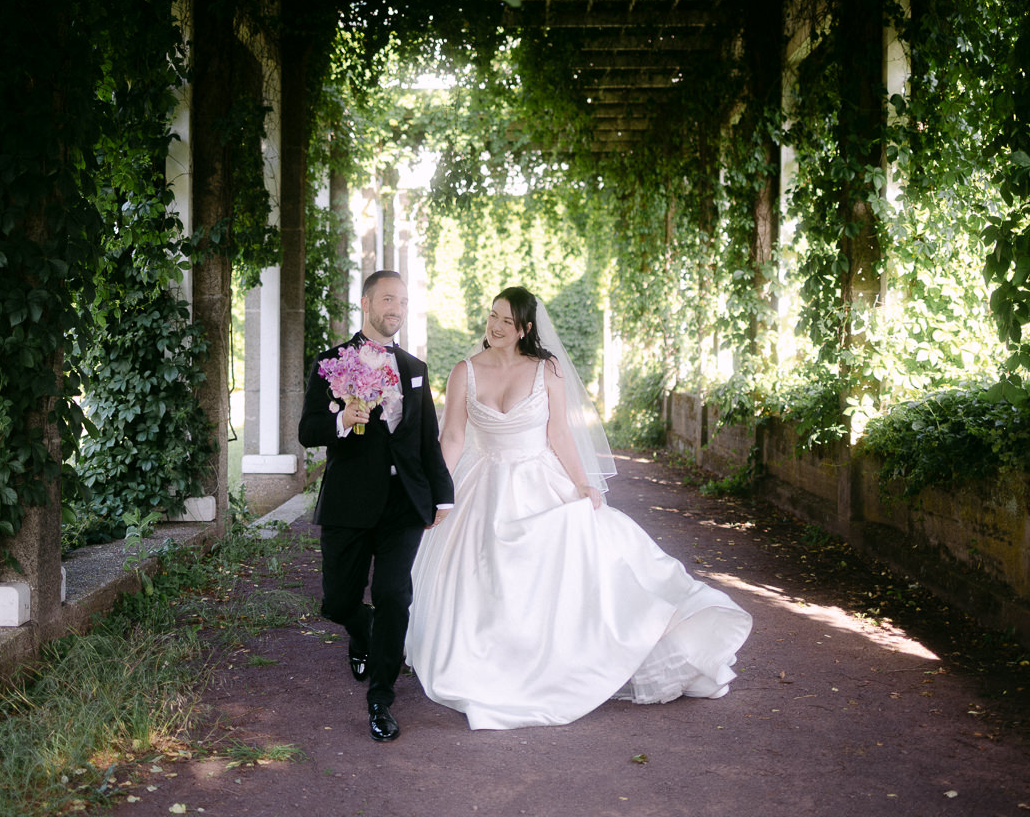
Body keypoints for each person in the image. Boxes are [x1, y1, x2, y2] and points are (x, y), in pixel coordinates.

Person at [405, 286, 753, 730]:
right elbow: (452, 438)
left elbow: (560, 436)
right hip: (481, 484)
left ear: (525, 328)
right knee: (480, 575)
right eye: (493, 316)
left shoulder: (546, 370)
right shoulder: (464, 371)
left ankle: (566, 659)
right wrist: (440, 492)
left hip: (538, 482)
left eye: (506, 321)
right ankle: (488, 661)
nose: (494, 326)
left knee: (574, 572)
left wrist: (584, 484)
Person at [299, 270, 455, 742]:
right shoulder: (331, 362)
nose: (397, 309)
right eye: (389, 299)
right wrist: (342, 418)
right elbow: (308, 431)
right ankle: (359, 627)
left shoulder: (414, 368)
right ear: (365, 303)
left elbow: (426, 439)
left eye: (404, 301)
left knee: (394, 593)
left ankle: (381, 698)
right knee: (339, 600)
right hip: (349, 501)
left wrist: (441, 493)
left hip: (402, 503)